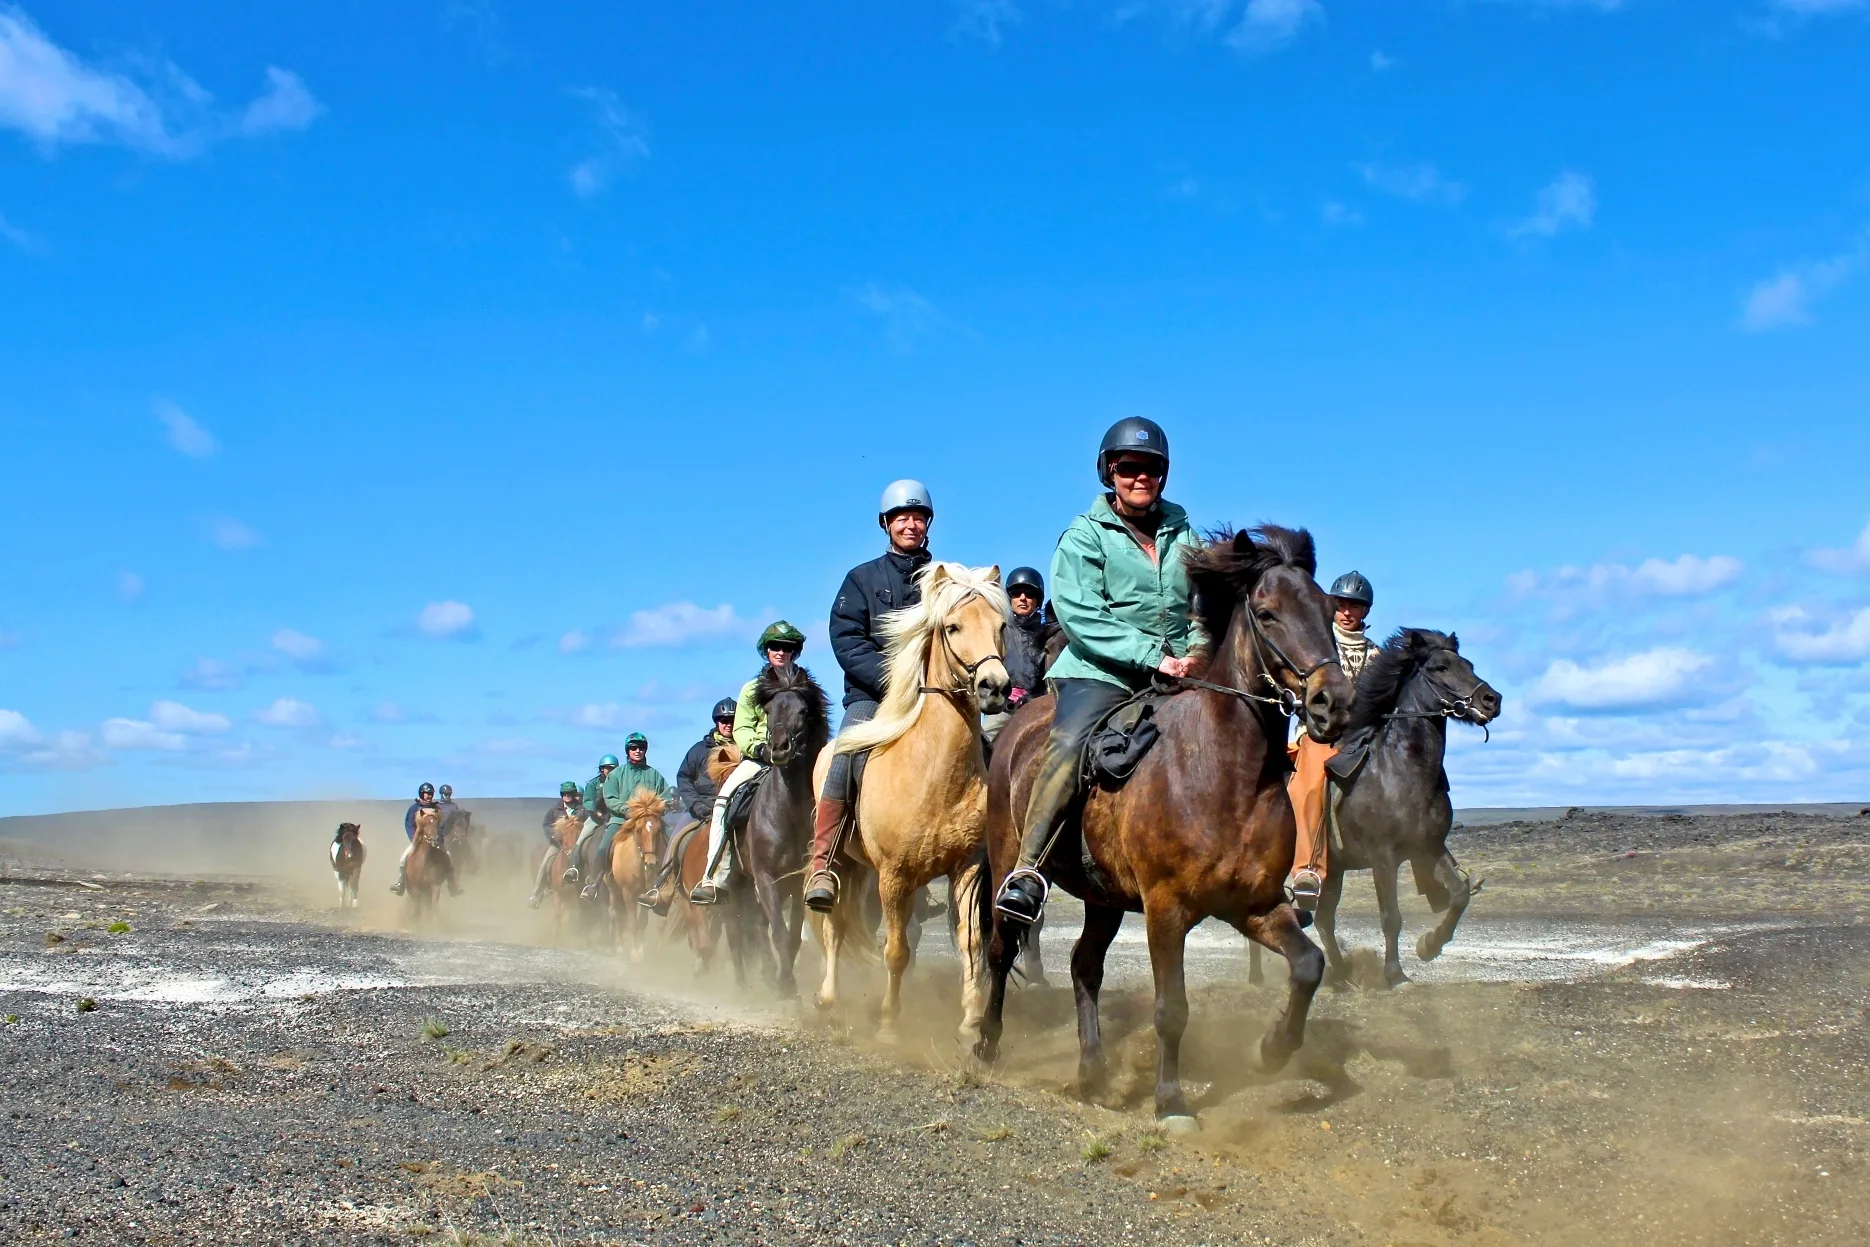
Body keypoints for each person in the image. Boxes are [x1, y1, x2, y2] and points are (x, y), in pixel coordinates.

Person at [994, 417, 1203, 926]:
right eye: (1128, 467)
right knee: (1067, 743)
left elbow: (1203, 607)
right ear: (1109, 472)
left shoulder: (1185, 533)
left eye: (1151, 468)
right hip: (1099, 670)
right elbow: (1080, 614)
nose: (1140, 477)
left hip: (1177, 670)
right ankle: (1027, 870)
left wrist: (1196, 650)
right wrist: (1152, 655)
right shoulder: (1083, 535)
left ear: (1164, 475)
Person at [804, 479, 935, 913]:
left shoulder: (943, 579)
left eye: (918, 517)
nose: (911, 524)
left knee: (986, 754)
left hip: (934, 696)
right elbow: (847, 640)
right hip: (873, 696)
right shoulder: (860, 580)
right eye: (902, 518)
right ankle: (822, 863)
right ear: (886, 524)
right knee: (845, 755)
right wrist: (896, 680)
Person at [687, 621, 807, 905]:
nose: (780, 652)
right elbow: (741, 728)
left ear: (795, 652)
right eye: (775, 647)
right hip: (759, 760)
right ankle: (713, 875)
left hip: (798, 762)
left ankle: (826, 873)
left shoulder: (805, 686)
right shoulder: (752, 688)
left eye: (787, 648)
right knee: (723, 804)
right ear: (766, 651)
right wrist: (760, 748)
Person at [1285, 571, 1380, 910]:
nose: (1347, 612)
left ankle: (1435, 868)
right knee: (1308, 787)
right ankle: (1307, 870)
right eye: (1340, 604)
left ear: (1365, 611)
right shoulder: (1314, 645)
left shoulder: (1377, 655)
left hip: (1365, 736)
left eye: (1355, 606)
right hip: (1321, 732)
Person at [585, 732, 672, 900]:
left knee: (672, 841)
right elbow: (609, 797)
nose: (637, 751)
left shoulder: (654, 775)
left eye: (640, 748)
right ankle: (593, 884)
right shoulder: (616, 774)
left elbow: (666, 797)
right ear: (628, 751)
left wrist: (657, 809)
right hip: (621, 820)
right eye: (633, 748)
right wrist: (626, 810)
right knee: (603, 848)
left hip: (649, 820)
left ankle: (671, 884)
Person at [982, 565, 1061, 746]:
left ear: (1038, 600)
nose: (1023, 598)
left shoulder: (1047, 634)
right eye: (1017, 593)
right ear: (1009, 599)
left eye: (1029, 594)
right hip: (1004, 708)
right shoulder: (999, 633)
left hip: (1038, 706)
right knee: (982, 742)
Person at [390, 781, 461, 897]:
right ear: (421, 794)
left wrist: (439, 835)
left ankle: (452, 885)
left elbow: (441, 824)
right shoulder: (414, 808)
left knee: (448, 857)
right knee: (403, 859)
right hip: (418, 840)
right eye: (426, 793)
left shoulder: (436, 809)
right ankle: (400, 883)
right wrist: (414, 837)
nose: (428, 796)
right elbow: (408, 824)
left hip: (435, 840)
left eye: (430, 794)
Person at [528, 781, 586, 908]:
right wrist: (554, 836)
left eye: (569, 793)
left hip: (577, 845)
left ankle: (590, 889)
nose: (567, 796)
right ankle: (536, 895)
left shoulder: (582, 810)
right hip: (558, 845)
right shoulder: (554, 810)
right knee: (545, 863)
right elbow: (546, 825)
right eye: (564, 793)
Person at [565, 753, 618, 885]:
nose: (610, 771)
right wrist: (596, 811)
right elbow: (587, 801)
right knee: (581, 839)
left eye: (613, 768)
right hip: (596, 818)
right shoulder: (593, 784)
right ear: (601, 769)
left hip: (615, 817)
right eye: (608, 768)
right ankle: (574, 867)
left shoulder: (619, 783)